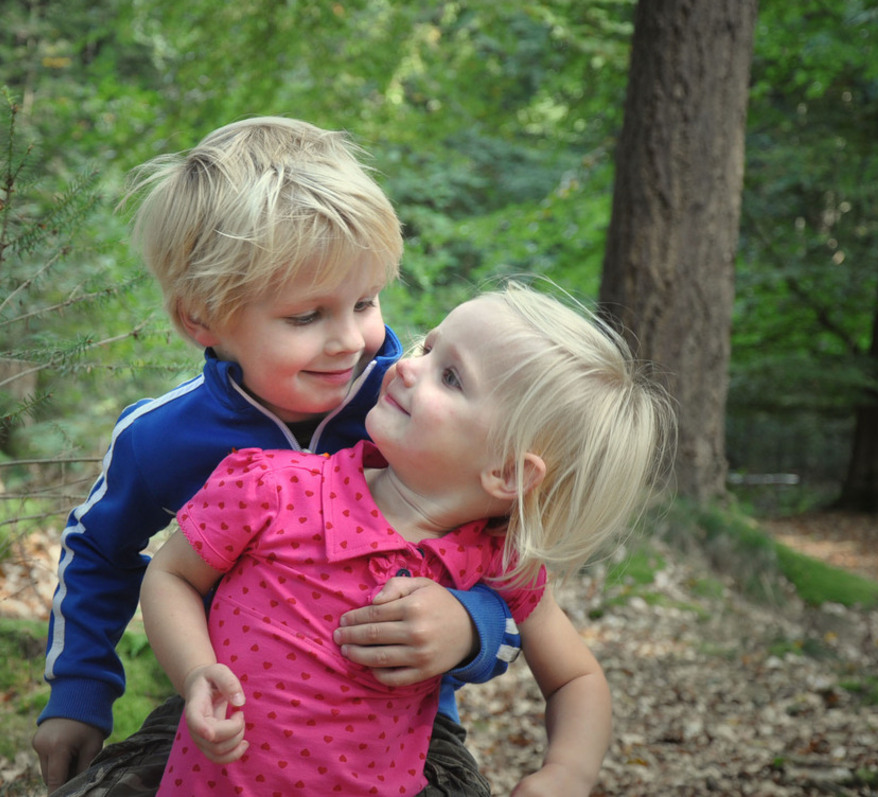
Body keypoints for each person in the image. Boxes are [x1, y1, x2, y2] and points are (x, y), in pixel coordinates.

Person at [34, 116, 522, 796]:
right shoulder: (164, 436)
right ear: (201, 318)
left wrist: (471, 627)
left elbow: (517, 564)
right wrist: (78, 692)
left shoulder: (417, 410)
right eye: (306, 316)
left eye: (365, 300)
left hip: (403, 727)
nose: (351, 339)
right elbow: (98, 548)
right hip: (225, 710)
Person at [140, 280, 674, 797]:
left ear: (508, 474)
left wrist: (566, 774)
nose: (405, 365)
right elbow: (171, 576)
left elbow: (576, 679)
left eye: (450, 378)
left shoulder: (496, 563)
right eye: (429, 347)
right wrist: (194, 671)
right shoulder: (273, 489)